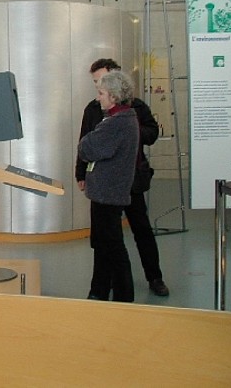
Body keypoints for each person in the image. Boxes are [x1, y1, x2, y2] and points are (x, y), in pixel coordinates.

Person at [76, 58, 169, 297]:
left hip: (129, 181)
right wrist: (81, 172)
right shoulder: (96, 110)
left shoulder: (130, 113)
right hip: (106, 183)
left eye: (102, 85)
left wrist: (125, 136)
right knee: (104, 239)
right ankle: (100, 287)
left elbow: (90, 144)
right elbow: (84, 140)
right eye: (96, 83)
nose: (98, 91)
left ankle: (153, 278)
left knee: (138, 232)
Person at [78, 70, 139, 302]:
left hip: (108, 194)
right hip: (108, 193)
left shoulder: (116, 123)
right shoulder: (123, 119)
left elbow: (86, 148)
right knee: (103, 246)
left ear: (113, 96)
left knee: (112, 247)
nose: (98, 98)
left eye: (101, 93)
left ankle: (124, 297)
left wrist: (88, 140)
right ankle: (99, 290)